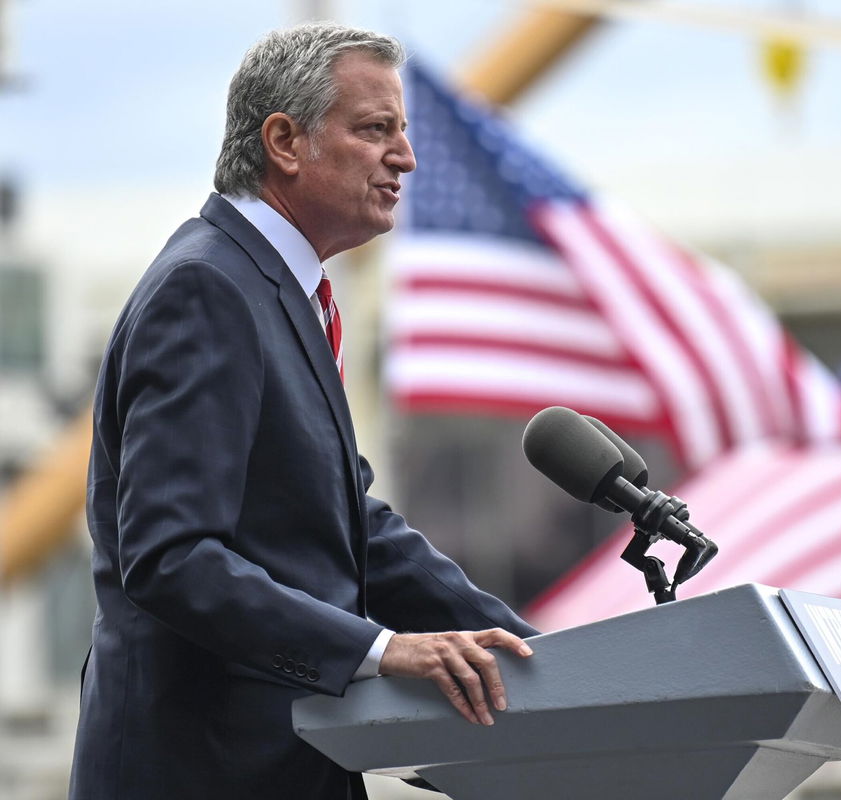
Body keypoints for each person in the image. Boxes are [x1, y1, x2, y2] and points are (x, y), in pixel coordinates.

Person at [69, 23, 538, 800]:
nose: (405, 158)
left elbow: (356, 531)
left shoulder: (278, 293)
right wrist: (383, 649)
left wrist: (540, 656)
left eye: (403, 132)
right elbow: (171, 556)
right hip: (201, 773)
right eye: (375, 129)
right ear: (285, 141)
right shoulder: (207, 290)